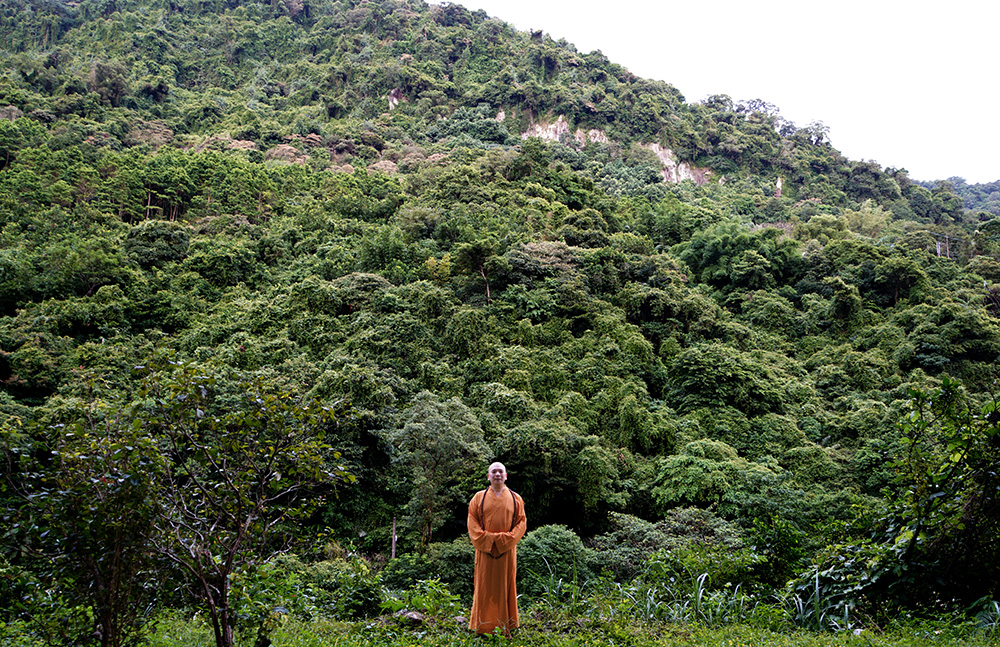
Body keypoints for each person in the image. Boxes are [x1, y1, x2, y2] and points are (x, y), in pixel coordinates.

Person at [467, 461, 527, 636]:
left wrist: (505, 541)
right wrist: (489, 541)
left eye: (501, 471)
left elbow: (521, 523)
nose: (498, 474)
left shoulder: (516, 499)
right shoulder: (478, 498)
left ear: (506, 476)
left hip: (507, 552)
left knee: (505, 588)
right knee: (484, 588)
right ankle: (482, 627)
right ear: (488, 476)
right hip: (485, 552)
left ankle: (505, 626)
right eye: (494, 472)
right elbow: (472, 522)